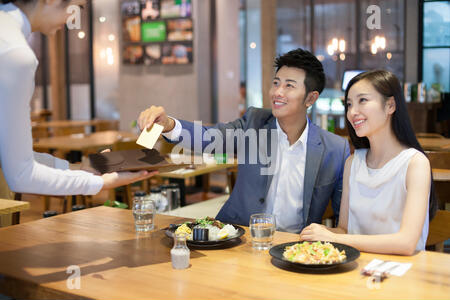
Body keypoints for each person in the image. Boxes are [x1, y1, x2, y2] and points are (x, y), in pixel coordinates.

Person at [138, 48, 350, 233]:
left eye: (289, 86)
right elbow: (209, 138)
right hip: (239, 238)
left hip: (292, 248)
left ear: (311, 98)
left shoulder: (335, 149)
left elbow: (344, 220)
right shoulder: (255, 123)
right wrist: (169, 125)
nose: (277, 92)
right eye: (276, 83)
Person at [0, 0, 157, 198]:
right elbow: (21, 174)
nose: (72, 19)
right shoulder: (16, 54)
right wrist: (98, 182)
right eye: (77, 7)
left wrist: (80, 168)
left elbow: (9, 157)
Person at [300, 70, 437, 255]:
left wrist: (335, 238)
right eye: (349, 104)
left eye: (362, 100)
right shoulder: (353, 163)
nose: (352, 112)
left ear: (390, 105)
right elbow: (344, 230)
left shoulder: (415, 163)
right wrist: (320, 232)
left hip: (402, 273)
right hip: (358, 268)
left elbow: (406, 243)